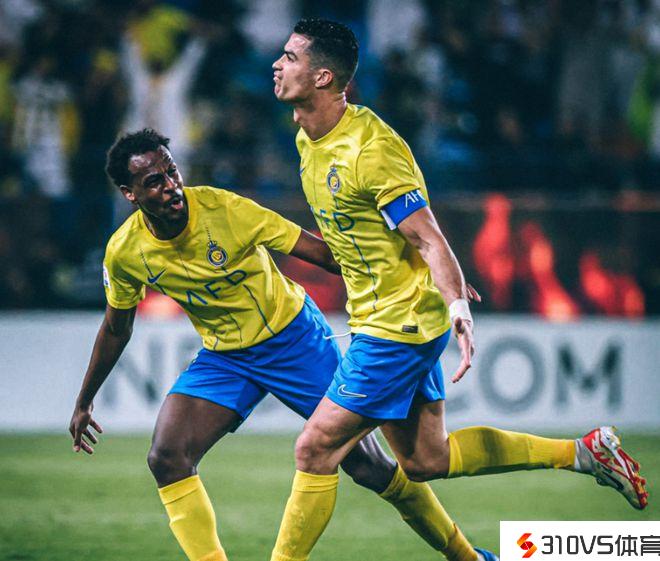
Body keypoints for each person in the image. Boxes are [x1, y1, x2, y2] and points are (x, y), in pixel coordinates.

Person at [270, 18, 648, 561]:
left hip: (398, 327)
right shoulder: (308, 139)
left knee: (315, 448)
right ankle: (585, 453)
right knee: (426, 461)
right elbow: (363, 240)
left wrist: (456, 306)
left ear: (323, 77)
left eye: (290, 57)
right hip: (387, 317)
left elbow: (428, 236)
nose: (277, 65)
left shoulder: (372, 149)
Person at [69, 128, 484, 561]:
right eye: (154, 181)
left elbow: (327, 255)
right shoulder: (125, 252)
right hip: (226, 357)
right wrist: (84, 401)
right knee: (166, 457)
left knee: (368, 466)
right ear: (130, 194)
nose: (171, 186)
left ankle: (465, 555)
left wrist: (430, 274)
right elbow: (116, 328)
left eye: (172, 172)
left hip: (296, 340)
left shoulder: (226, 210)